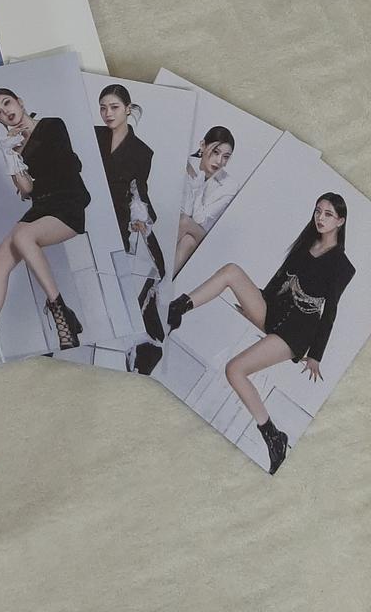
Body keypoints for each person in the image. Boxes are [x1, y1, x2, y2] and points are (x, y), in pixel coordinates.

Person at [166, 193, 354, 474]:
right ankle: (177, 309)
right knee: (231, 271)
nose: (320, 217)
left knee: (235, 370)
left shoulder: (342, 265)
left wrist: (316, 355)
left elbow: (331, 311)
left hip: (295, 333)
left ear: (340, 221)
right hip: (273, 311)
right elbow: (279, 280)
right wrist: (254, 305)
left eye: (328, 214)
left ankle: (273, 436)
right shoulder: (306, 242)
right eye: (318, 211)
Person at [0, 88, 91, 365]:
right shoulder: (15, 147)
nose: (6, 112)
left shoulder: (52, 125)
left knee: (23, 236)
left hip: (68, 203)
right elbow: (27, 190)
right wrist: (11, 157)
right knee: (0, 257)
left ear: (20, 102)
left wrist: (23, 148)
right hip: (42, 207)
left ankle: (61, 313)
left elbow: (63, 163)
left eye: (7, 103)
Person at [94, 85, 167, 371]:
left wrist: (141, 217)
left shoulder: (142, 152)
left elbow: (139, 190)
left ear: (127, 108)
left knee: (122, 283)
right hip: (88, 211)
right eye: (103, 107)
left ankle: (137, 344)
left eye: (113, 107)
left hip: (118, 219)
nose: (107, 113)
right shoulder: (93, 135)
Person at [174, 126, 237, 275]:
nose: (219, 161)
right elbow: (184, 209)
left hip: (204, 237)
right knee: (188, 241)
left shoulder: (229, 186)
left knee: (184, 221)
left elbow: (199, 219)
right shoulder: (184, 163)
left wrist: (197, 181)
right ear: (202, 145)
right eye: (215, 152)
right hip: (181, 228)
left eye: (226, 156)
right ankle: (157, 284)